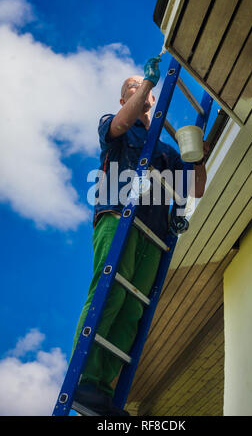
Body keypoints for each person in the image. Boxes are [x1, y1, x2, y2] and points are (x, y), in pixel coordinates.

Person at [72, 57, 209, 415]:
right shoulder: (113, 124)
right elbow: (120, 123)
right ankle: (84, 379)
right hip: (118, 216)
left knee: (132, 310)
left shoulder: (166, 151)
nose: (140, 88)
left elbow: (196, 189)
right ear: (124, 99)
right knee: (111, 293)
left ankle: (100, 390)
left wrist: (198, 156)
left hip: (154, 235)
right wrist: (148, 84)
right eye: (131, 87)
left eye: (141, 85)